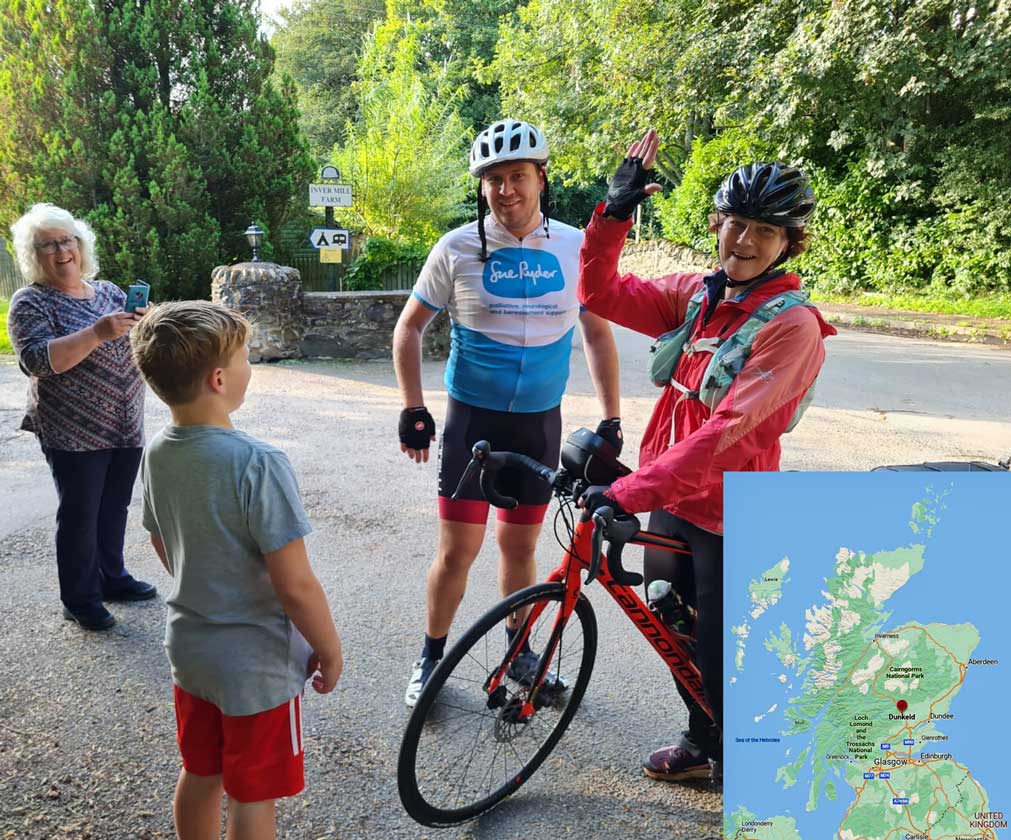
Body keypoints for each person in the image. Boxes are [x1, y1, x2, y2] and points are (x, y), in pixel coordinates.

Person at [577, 130, 837, 783]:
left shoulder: (792, 327)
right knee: (674, 625)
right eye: (736, 224)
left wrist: (628, 491)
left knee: (726, 648)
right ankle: (703, 742)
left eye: (765, 232)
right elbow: (600, 295)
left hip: (730, 512)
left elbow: (729, 432)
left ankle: (757, 766)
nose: (745, 241)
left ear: (788, 244)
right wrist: (612, 217)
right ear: (717, 224)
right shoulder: (697, 294)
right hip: (670, 499)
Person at [393, 118, 622, 706]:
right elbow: (409, 329)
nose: (506, 190)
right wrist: (413, 408)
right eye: (494, 179)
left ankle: (519, 657)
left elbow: (597, 335)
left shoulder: (576, 247)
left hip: (538, 423)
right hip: (475, 423)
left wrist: (611, 417)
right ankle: (430, 656)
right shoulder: (457, 248)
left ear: (542, 177)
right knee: (456, 552)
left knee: (519, 550)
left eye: (517, 176)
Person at [130, 301, 343, 840]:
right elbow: (293, 584)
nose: (250, 365)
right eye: (246, 356)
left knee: (202, 772)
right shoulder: (258, 462)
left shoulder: (158, 451)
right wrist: (330, 649)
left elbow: (161, 539)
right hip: (255, 663)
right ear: (220, 378)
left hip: (191, 649)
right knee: (254, 795)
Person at [6, 203, 156, 631]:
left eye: (66, 240)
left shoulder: (108, 292)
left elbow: (142, 343)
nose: (60, 250)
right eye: (47, 244)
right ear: (34, 255)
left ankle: (112, 578)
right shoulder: (30, 301)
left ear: (80, 244)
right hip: (72, 427)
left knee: (114, 507)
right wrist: (96, 333)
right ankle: (79, 597)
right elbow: (36, 360)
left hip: (126, 419)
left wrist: (145, 323)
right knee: (80, 513)